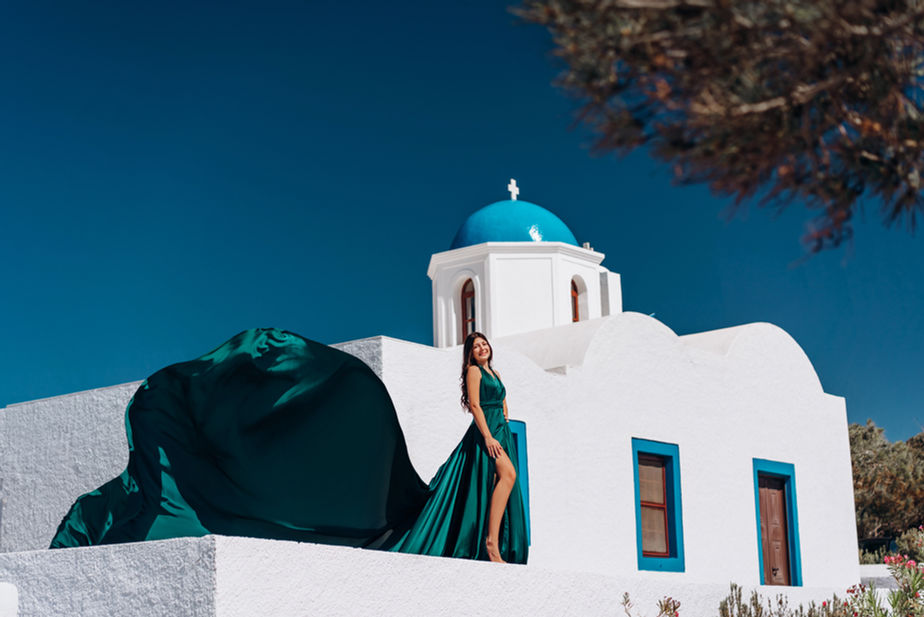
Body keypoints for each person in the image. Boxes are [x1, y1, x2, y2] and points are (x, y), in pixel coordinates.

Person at [49, 327, 527, 564]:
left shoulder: (495, 372)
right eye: (477, 345)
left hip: (500, 433)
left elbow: (499, 405)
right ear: (470, 350)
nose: (482, 349)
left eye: (486, 344)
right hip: (486, 437)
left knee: (504, 481)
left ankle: (492, 539)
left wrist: (499, 426)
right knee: (501, 476)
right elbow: (478, 409)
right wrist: (486, 434)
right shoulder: (470, 372)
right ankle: (488, 540)